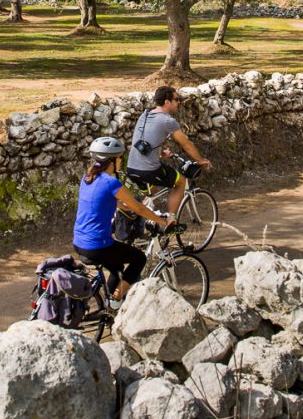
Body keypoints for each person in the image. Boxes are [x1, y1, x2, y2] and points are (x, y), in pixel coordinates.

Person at [73, 136, 175, 308]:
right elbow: (140, 209)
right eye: (120, 158)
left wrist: (122, 206)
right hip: (98, 245)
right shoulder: (111, 182)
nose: (121, 161)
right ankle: (116, 300)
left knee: (118, 265)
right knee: (138, 258)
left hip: (79, 242)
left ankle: (109, 303)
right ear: (112, 160)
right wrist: (162, 221)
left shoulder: (88, 177)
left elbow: (103, 200)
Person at [125, 85, 212, 217]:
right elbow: (187, 145)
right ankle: (171, 221)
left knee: (151, 193)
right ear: (167, 102)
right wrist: (201, 160)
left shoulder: (145, 114)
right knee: (180, 182)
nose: (179, 102)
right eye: (176, 99)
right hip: (149, 170)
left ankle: (144, 218)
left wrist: (160, 154)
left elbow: (145, 141)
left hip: (131, 168)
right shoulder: (168, 121)